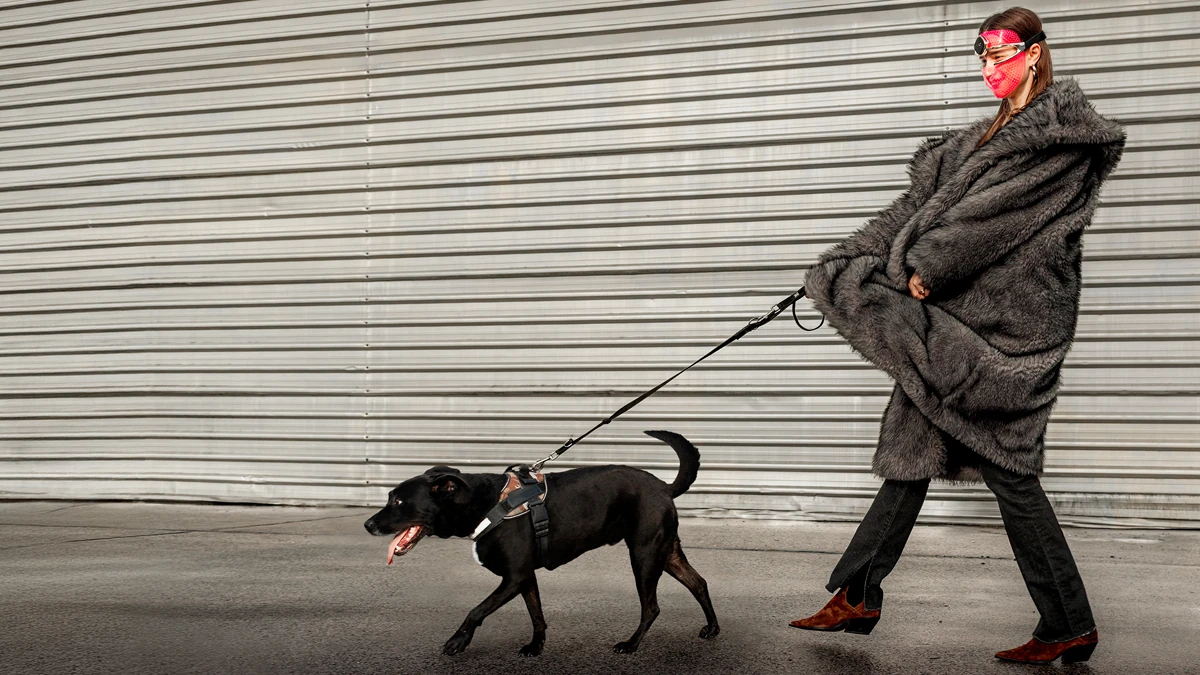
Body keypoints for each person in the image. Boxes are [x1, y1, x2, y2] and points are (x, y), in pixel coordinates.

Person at [791, 7, 1125, 665]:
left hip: (1006, 338)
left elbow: (989, 218)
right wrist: (841, 262)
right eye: (981, 57)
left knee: (1010, 472)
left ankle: (1070, 621)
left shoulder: (1061, 143)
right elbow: (909, 213)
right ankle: (859, 591)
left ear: (1033, 54)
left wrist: (927, 264)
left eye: (1001, 54)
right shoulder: (970, 142)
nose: (988, 68)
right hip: (956, 325)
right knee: (911, 454)